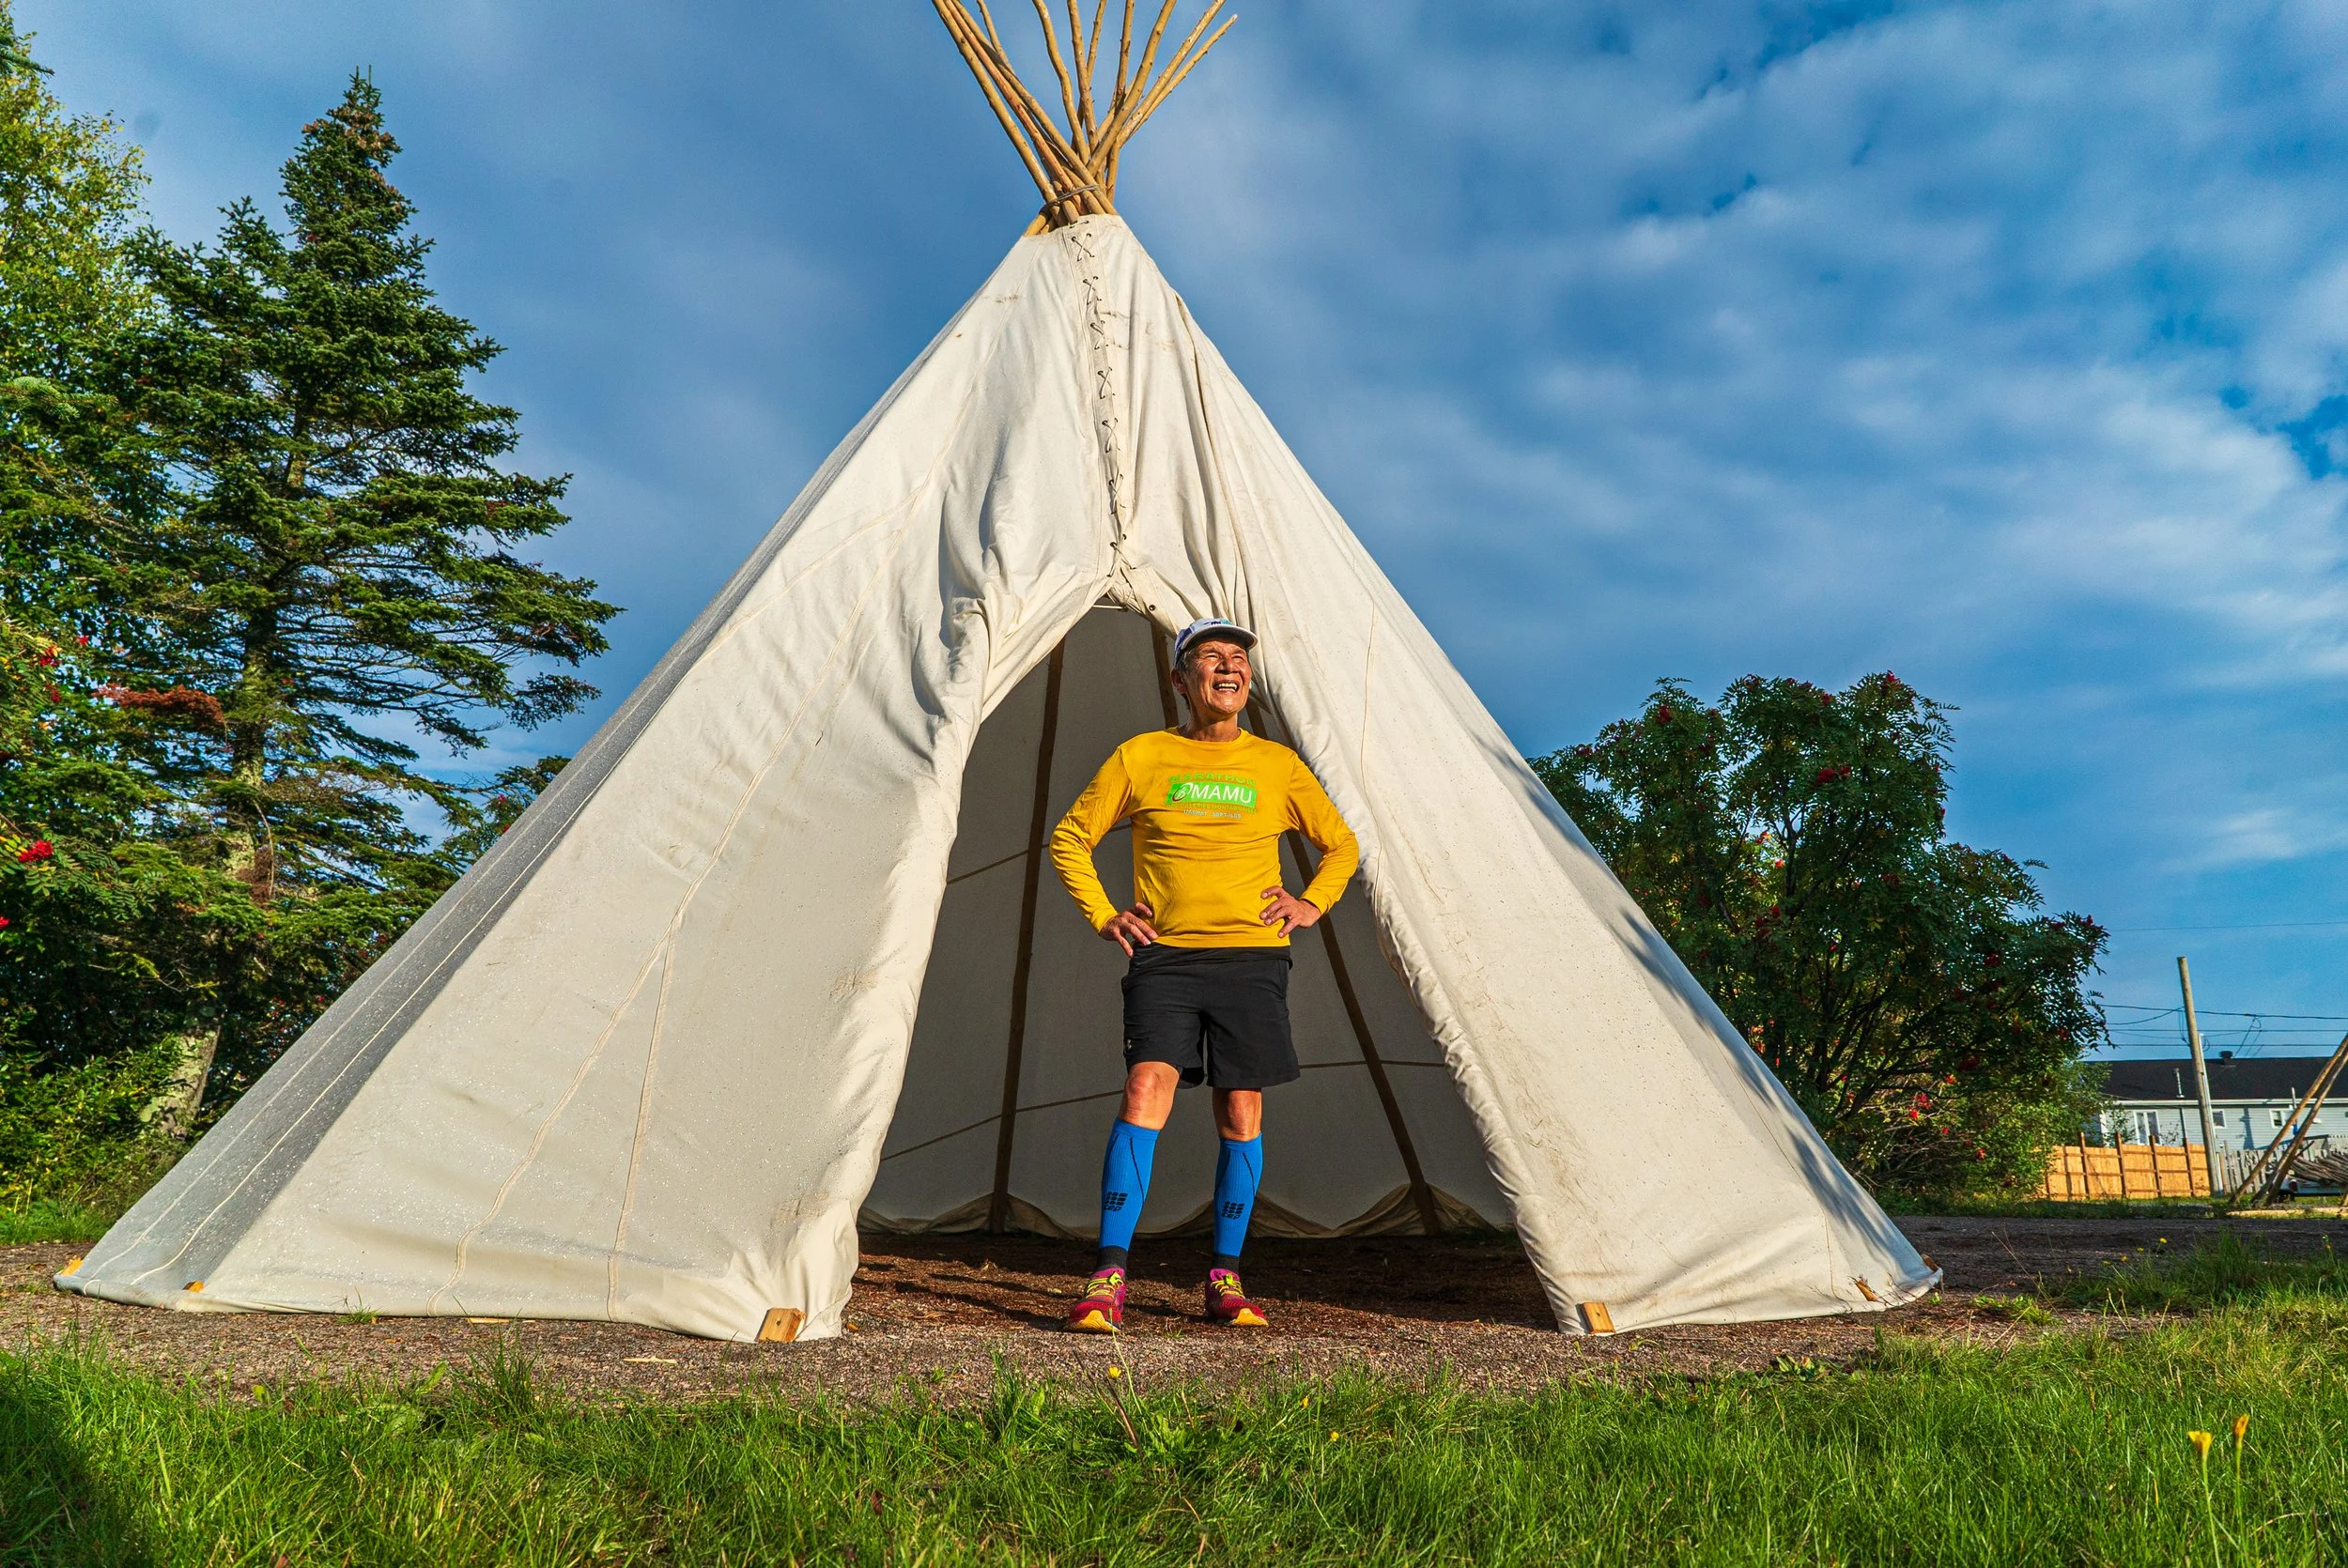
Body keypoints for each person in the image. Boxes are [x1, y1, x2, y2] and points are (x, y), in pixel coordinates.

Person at [1046, 617, 1359, 1331]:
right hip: (1168, 957)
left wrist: (1309, 903)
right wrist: (1104, 914)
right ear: (1180, 680)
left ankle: (1224, 1276)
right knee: (1144, 1085)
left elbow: (1341, 845)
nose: (1229, 668)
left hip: (1252, 960)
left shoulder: (1276, 766)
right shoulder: (1141, 756)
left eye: (1239, 659)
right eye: (1211, 658)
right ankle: (1108, 1273)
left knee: (1240, 1107)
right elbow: (1071, 835)